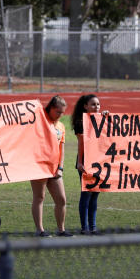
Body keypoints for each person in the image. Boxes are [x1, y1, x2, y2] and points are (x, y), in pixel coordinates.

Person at [31, 96, 72, 236]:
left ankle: (61, 230)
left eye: (63, 112)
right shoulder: (41, 121)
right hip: (39, 166)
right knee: (39, 197)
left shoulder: (61, 126)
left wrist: (60, 168)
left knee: (61, 199)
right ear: (51, 108)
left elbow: (62, 149)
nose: (61, 115)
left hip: (54, 168)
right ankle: (40, 230)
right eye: (58, 112)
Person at [72, 94, 108, 234]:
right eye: (93, 104)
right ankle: (85, 228)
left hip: (99, 162)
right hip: (86, 162)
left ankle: (93, 227)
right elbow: (81, 144)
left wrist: (107, 118)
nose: (97, 107)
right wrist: (80, 163)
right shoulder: (81, 122)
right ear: (85, 106)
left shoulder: (101, 119)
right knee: (86, 194)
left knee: (95, 195)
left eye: (98, 104)